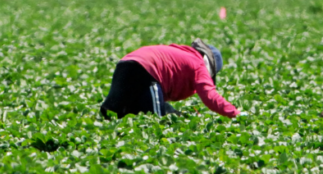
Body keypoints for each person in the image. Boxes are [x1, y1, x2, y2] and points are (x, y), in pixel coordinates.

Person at [100, 39, 241, 119]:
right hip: (145, 71)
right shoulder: (198, 64)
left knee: (114, 115)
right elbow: (210, 96)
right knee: (155, 123)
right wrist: (235, 114)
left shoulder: (181, 53)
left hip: (124, 66)